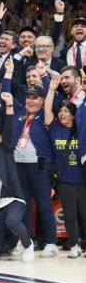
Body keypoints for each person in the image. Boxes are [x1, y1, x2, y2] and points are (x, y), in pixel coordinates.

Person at [1, 57, 58, 257]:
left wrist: (43, 75)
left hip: (40, 164)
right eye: (28, 98)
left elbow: (53, 96)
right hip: (18, 164)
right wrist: (8, 72)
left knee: (44, 204)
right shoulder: (19, 111)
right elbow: (5, 93)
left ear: (42, 101)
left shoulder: (46, 114)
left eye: (35, 98)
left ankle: (50, 243)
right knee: (22, 204)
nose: (30, 101)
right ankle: (25, 241)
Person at [0, 92, 35, 262]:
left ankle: (28, 244)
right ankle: (13, 240)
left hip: (12, 200)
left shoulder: (4, 151)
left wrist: (9, 106)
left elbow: (9, 129)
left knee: (12, 222)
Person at [44, 75, 86, 258]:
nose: (61, 114)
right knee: (69, 215)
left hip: (82, 179)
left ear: (74, 115)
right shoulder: (55, 129)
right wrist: (51, 89)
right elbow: (47, 110)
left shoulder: (81, 130)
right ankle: (74, 245)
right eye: (60, 111)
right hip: (65, 180)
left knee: (84, 214)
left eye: (66, 111)